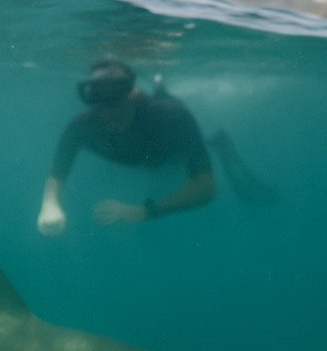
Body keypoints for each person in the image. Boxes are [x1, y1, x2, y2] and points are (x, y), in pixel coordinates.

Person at [37, 59, 216, 237]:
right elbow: (57, 172)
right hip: (147, 160)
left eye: (115, 103)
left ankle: (218, 140)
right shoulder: (81, 127)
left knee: (196, 130)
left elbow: (206, 185)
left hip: (173, 160)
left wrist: (146, 211)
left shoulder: (171, 116)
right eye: (101, 104)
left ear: (132, 94)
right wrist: (50, 206)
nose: (108, 113)